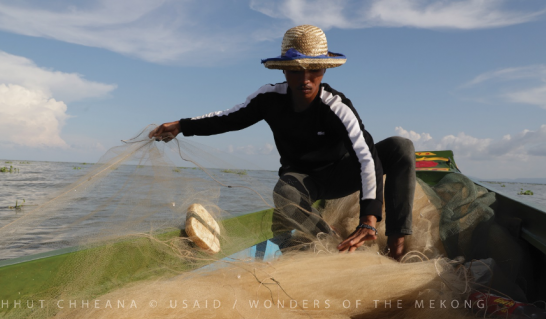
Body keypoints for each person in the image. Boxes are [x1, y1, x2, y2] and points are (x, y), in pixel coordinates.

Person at [149, 25, 415, 260]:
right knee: (284, 193)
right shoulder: (269, 98)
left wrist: (369, 219)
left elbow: (366, 157)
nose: (305, 79)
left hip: (343, 173)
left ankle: (396, 243)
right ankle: (332, 239)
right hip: (303, 181)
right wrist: (182, 126)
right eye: (296, 71)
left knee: (400, 147)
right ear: (285, 71)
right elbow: (227, 118)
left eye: (314, 69)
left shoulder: (337, 106)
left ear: (324, 70)